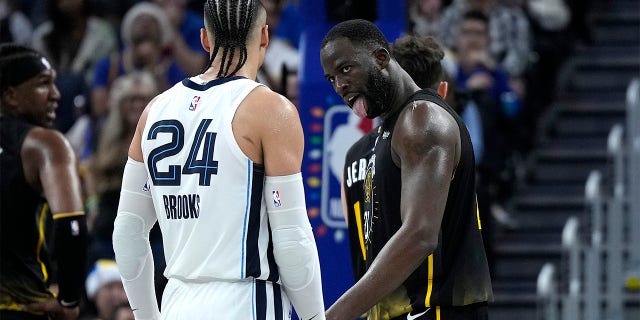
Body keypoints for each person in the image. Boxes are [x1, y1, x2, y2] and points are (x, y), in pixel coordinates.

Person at [111, 1, 325, 319]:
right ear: (265, 36)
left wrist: (147, 315)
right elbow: (292, 240)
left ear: (204, 40)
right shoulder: (270, 110)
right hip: (246, 301)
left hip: (177, 302)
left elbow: (128, 234)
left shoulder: (154, 109)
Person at [320, 19, 492, 320]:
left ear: (381, 57)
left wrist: (336, 315)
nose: (340, 85)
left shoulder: (422, 119)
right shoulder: (384, 136)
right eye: (331, 79)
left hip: (433, 309)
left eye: (345, 69)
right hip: (392, 310)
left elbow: (419, 235)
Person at [0, 44, 88, 319]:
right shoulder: (44, 144)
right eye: (44, 84)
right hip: (21, 305)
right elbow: (71, 225)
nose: (56, 95)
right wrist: (69, 301)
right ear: (12, 96)